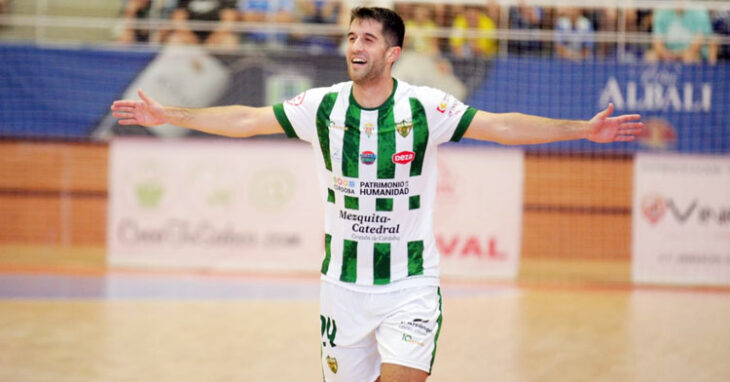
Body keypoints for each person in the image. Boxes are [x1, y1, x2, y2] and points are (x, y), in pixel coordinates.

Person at [111, 7, 643, 381]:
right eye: (350, 37)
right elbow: (247, 118)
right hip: (341, 286)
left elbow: (502, 127)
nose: (355, 47)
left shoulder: (425, 108)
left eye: (367, 39)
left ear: (393, 53)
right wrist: (170, 115)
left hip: (409, 284)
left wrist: (579, 128)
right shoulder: (321, 106)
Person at [644, 6, 716, 65]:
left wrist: (681, 55)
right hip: (667, 53)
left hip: (692, 54)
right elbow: (657, 42)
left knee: (690, 58)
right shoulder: (661, 12)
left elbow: (697, 44)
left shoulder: (699, 12)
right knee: (651, 56)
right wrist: (668, 55)